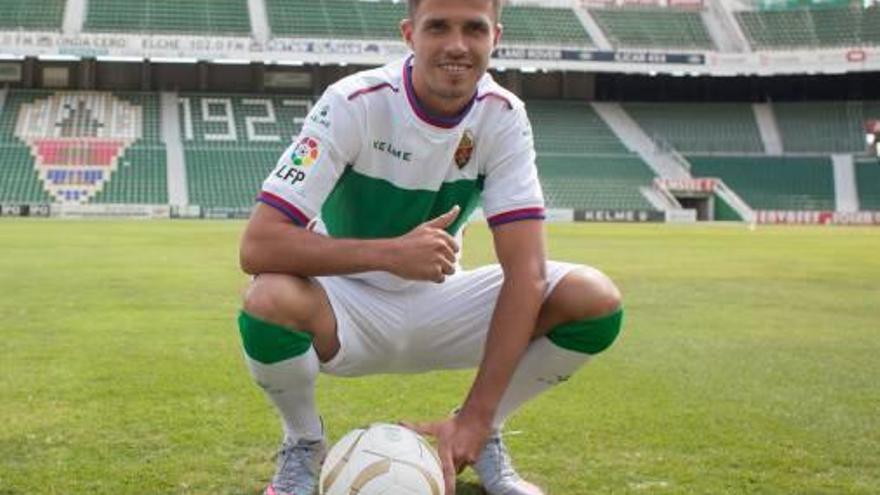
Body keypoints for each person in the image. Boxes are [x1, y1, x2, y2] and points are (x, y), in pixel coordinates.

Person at [237, 0, 624, 493]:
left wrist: (477, 417)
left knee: (592, 299)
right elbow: (257, 245)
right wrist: (388, 254)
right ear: (409, 33)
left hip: (442, 302)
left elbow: (526, 273)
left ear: (495, 37)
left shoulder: (503, 116)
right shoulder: (354, 101)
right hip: (343, 306)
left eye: (474, 29)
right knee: (267, 298)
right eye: (438, 26)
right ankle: (304, 444)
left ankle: (483, 437)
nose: (457, 45)